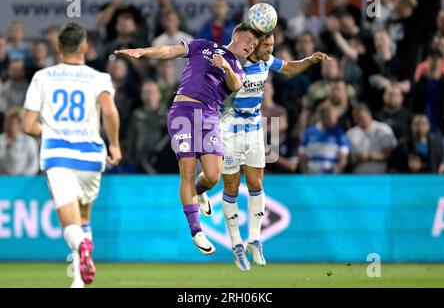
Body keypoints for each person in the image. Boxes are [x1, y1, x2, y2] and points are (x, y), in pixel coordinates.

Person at [115, 23, 260, 256]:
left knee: (213, 175)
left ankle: (199, 192)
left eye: (255, 44)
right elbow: (169, 51)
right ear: (236, 35)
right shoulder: (203, 45)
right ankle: (196, 231)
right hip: (182, 110)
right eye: (250, 40)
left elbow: (235, 85)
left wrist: (226, 67)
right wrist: (142, 51)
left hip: (210, 116)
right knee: (188, 167)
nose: (252, 46)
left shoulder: (238, 68)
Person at [197, 32, 330, 271]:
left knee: (257, 184)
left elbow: (288, 68)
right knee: (231, 187)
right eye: (266, 45)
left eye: (272, 45)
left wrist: (310, 59)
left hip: (255, 128)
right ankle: (236, 243)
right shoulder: (234, 61)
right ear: (254, 45)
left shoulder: (266, 61)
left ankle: (254, 240)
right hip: (228, 129)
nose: (270, 49)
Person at [22, 22, 121, 288]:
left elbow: (28, 126)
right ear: (85, 47)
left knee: (70, 225)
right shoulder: (99, 78)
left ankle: (82, 246)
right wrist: (114, 145)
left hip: (59, 157)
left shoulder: (43, 77)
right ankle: (78, 281)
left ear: (57, 47)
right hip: (91, 157)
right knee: (84, 217)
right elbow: (110, 112)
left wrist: (52, 131)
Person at [346, 103, 397, 174]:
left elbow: (388, 154)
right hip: (357, 178)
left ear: (369, 114)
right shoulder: (350, 133)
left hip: (379, 177)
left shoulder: (383, 129)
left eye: (361, 117)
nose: (359, 120)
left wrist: (368, 156)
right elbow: (348, 159)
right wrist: (356, 159)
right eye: (356, 118)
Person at [299, 105, 349, 174]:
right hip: (311, 176)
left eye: (335, 117)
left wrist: (335, 176)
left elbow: (343, 159)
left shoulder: (339, 134)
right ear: (323, 118)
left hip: (330, 176)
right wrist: (305, 173)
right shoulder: (309, 132)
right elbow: (302, 156)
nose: (334, 121)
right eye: (331, 117)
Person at [0, 107, 39, 175]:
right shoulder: (1, 140)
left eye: (12, 124)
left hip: (24, 181)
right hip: (3, 180)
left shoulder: (29, 141)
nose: (9, 127)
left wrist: (22, 176)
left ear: (19, 125)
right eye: (7, 123)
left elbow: (34, 164)